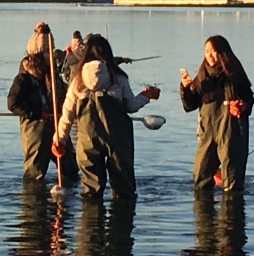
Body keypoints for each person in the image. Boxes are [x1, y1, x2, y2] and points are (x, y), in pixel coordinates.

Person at [52, 35, 160, 199]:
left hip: (88, 139)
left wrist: (59, 140)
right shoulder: (118, 77)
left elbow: (67, 114)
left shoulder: (77, 80)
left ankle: (90, 222)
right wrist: (146, 95)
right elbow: (131, 106)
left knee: (90, 190)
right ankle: (121, 221)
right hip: (117, 138)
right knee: (124, 190)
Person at [180, 35, 254, 192]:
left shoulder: (235, 74)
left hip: (232, 131)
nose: (210, 55)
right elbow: (189, 105)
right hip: (208, 131)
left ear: (223, 53)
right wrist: (185, 88)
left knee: (232, 178)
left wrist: (242, 106)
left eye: (214, 51)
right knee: (201, 174)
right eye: (207, 51)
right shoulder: (202, 76)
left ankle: (231, 214)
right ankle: (203, 215)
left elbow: (249, 100)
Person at [8, 53, 79, 182]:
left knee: (70, 167)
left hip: (58, 127)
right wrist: (36, 113)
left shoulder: (54, 79)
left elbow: (66, 98)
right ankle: (33, 198)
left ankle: (70, 195)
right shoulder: (23, 80)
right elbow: (13, 104)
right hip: (36, 131)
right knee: (35, 172)